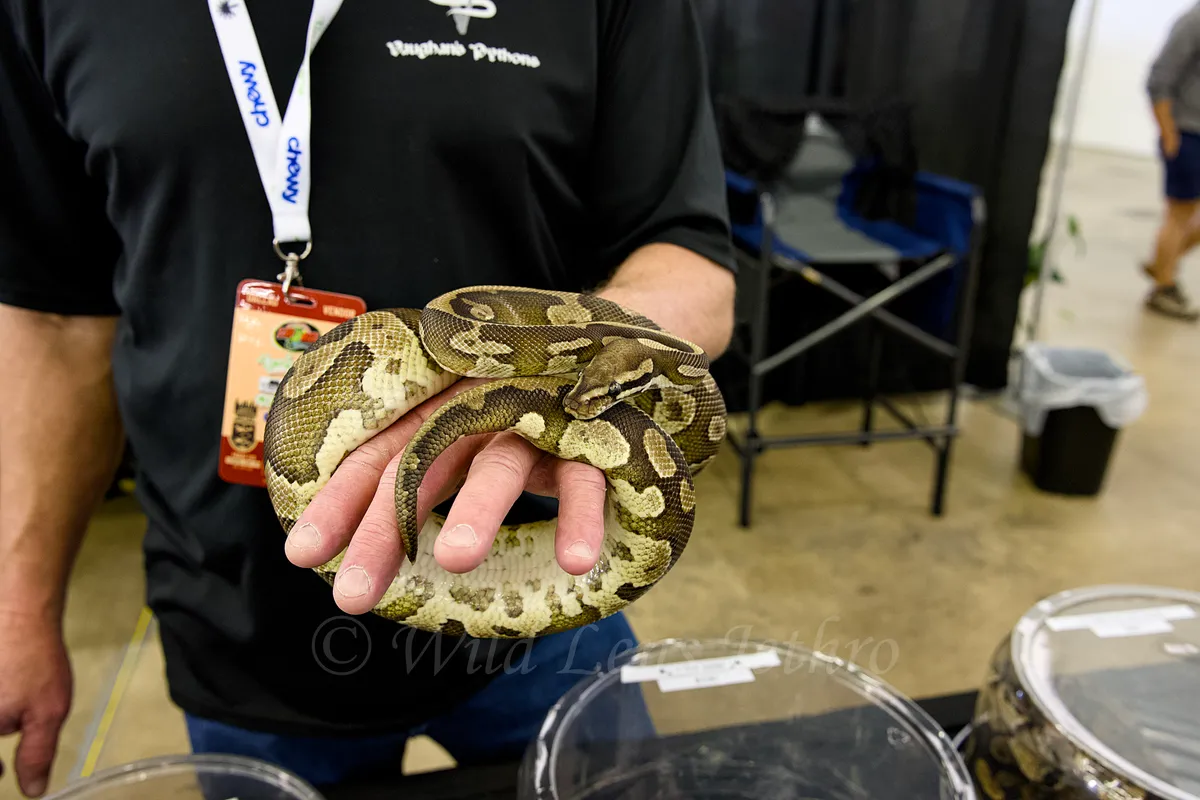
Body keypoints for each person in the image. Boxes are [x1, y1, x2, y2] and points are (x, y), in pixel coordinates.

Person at [0, 0, 736, 794]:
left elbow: (691, 259)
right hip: (237, 617)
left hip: (548, 578)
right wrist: (18, 602)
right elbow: (49, 312)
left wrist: (563, 379)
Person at [1145, 1, 1200, 321]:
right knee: (1180, 213)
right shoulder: (1194, 20)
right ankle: (1163, 288)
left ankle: (1161, 263)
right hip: (1188, 132)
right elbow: (1159, 78)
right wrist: (1168, 131)